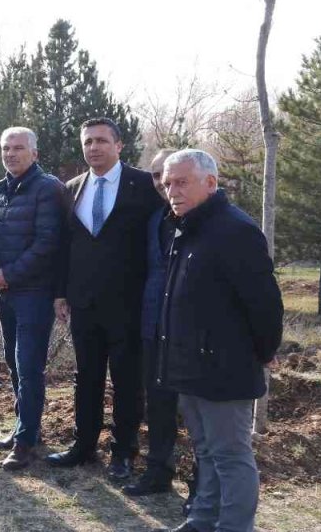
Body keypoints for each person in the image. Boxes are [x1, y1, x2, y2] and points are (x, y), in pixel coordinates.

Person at [153, 150, 282, 532]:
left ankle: (235, 526)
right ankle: (203, 520)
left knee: (230, 455)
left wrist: (266, 350)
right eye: (167, 183)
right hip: (189, 364)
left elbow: (264, 304)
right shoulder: (184, 226)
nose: (171, 191)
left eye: (181, 182)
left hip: (226, 366)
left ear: (211, 183)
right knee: (205, 451)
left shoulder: (235, 230)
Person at [47, 118, 160, 480]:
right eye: (88, 142)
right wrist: (60, 292)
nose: (93, 147)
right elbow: (66, 246)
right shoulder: (71, 189)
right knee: (87, 377)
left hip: (129, 303)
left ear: (119, 145)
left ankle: (123, 452)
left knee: (127, 380)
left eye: (101, 141)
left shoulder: (144, 186)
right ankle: (83, 446)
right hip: (84, 303)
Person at [0, 126, 67, 470]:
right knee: (13, 362)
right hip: (5, 292)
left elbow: (48, 243)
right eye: (6, 148)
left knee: (29, 366)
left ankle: (25, 442)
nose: (11, 154)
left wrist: (10, 274)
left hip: (34, 291)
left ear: (34, 153)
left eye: (18, 148)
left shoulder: (47, 189)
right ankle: (25, 428)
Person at [123, 148, 187, 496]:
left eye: (171, 175)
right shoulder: (155, 220)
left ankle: (203, 483)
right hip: (152, 326)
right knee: (158, 405)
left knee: (193, 411)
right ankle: (158, 473)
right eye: (157, 175)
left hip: (190, 332)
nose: (164, 182)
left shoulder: (201, 220)